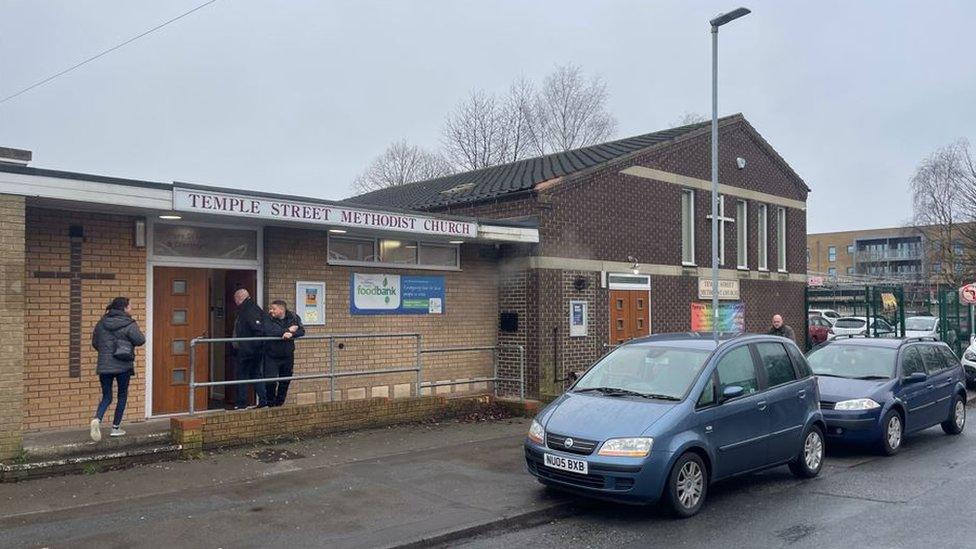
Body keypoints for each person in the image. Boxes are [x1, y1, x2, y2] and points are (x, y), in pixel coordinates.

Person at [90, 296, 146, 441]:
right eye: (130, 306)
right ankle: (115, 428)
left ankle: (97, 418)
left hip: (104, 366)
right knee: (122, 396)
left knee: (107, 397)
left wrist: (106, 353)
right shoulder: (129, 323)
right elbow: (140, 340)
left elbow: (95, 343)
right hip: (123, 366)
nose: (131, 308)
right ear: (124, 308)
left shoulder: (101, 323)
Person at [263, 300, 305, 407]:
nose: (271, 311)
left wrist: (291, 334)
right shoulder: (268, 318)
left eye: (273, 309)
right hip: (271, 355)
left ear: (281, 310)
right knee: (270, 381)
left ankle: (279, 405)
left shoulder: (293, 317)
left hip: (287, 355)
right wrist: (287, 330)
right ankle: (270, 404)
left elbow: (302, 331)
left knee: (285, 381)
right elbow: (269, 332)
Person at [232, 288, 269, 409]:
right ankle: (263, 401)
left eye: (235, 299)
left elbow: (258, 330)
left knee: (242, 375)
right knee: (255, 374)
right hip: (251, 349)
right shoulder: (251, 307)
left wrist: (250, 347)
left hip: (249, 351)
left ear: (239, 298)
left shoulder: (249, 309)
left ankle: (242, 403)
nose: (235, 301)